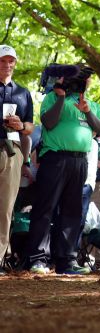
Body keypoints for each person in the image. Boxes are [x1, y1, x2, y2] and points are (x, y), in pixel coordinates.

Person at [26, 64, 100, 275]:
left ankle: (66, 261)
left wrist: (87, 111)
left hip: (80, 161)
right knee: (45, 208)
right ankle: (38, 258)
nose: (84, 81)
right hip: (55, 158)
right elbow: (49, 123)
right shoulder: (52, 98)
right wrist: (60, 96)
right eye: (80, 77)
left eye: (87, 79)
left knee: (72, 211)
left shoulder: (92, 105)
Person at [0, 45, 34, 275]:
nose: (7, 65)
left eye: (11, 61)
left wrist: (20, 125)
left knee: (5, 209)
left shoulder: (23, 93)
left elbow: (30, 126)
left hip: (12, 151)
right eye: (3, 60)